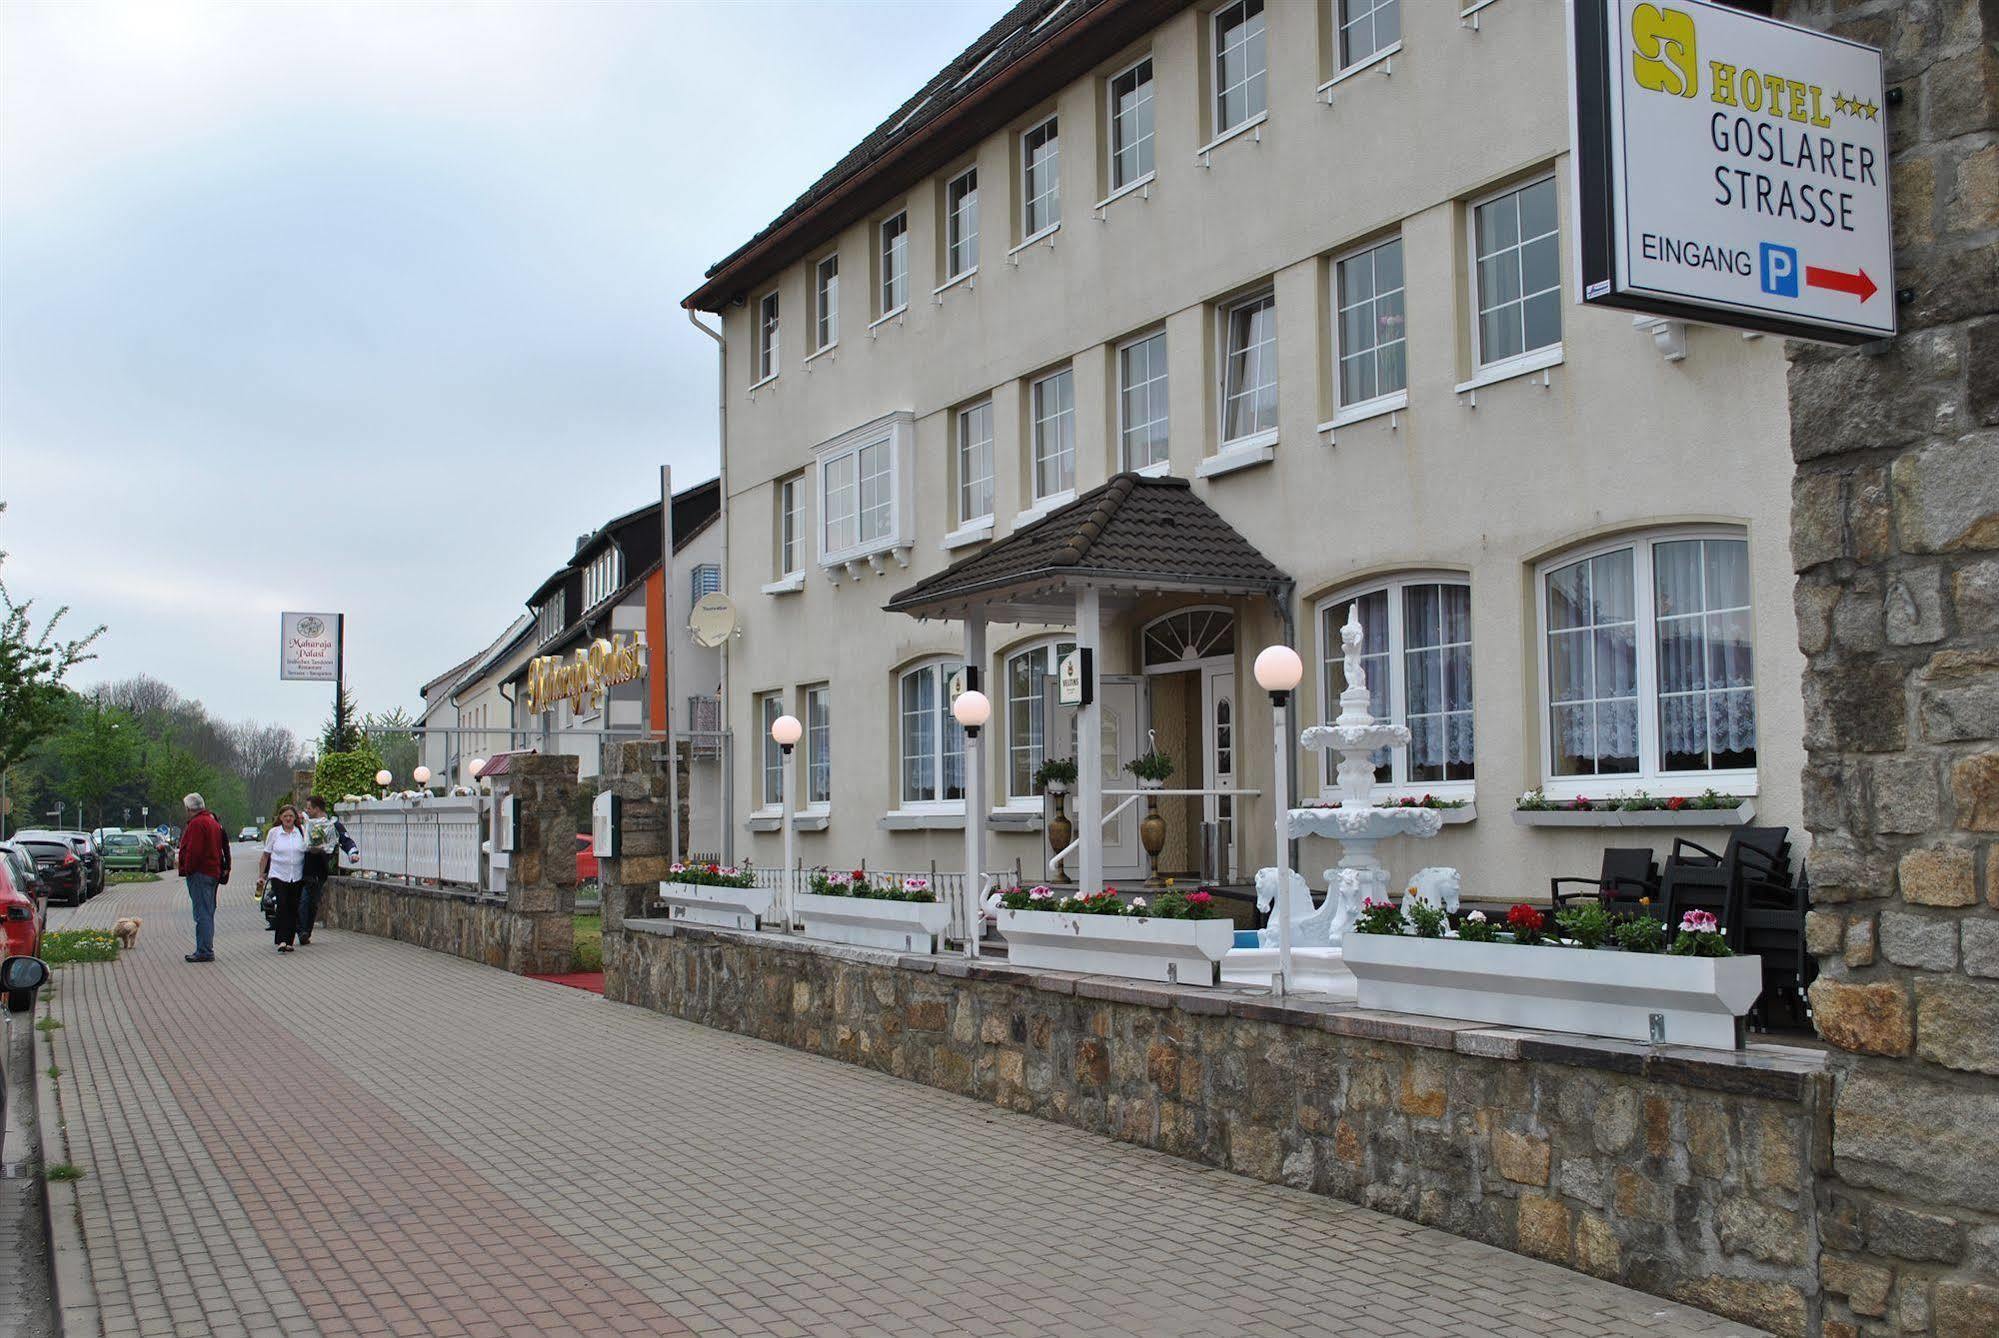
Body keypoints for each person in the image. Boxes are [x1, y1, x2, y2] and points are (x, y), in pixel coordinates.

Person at [175, 794, 227, 963]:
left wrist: (187, 869)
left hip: (200, 873)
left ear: (189, 809)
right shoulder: (212, 822)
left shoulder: (197, 824)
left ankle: (204, 950)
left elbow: (194, 850)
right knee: (208, 911)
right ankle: (205, 947)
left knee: (202, 913)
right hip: (212, 872)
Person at [298, 795, 354, 946]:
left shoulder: (331, 824)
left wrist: (352, 853)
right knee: (302, 900)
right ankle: (302, 930)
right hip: (301, 868)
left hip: (319, 869)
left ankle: (306, 931)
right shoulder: (305, 823)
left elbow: (345, 839)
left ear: (316, 809)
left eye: (309, 808)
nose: (307, 811)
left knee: (313, 902)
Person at [258, 805, 309, 953]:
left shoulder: (301, 832)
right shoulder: (274, 833)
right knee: (282, 904)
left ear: (295, 819)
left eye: (291, 816)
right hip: (279, 874)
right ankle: (281, 940)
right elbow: (266, 855)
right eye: (285, 816)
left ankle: (289, 941)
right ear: (280, 818)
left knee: (293, 907)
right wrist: (261, 875)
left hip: (296, 875)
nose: (288, 819)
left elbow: (309, 849)